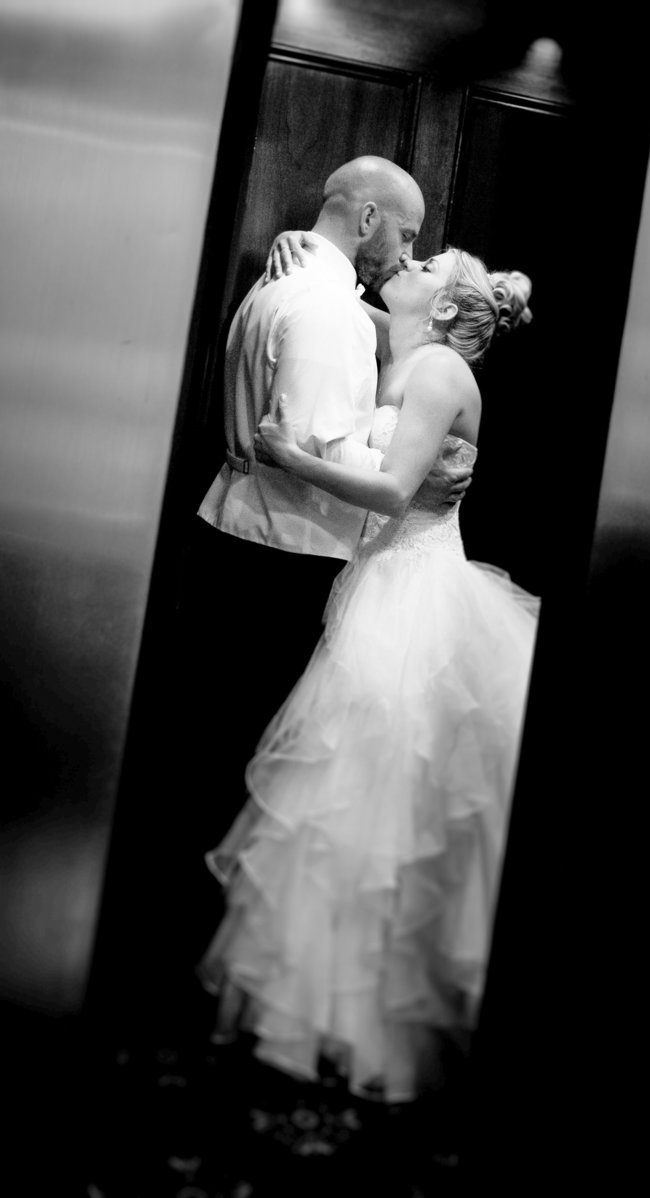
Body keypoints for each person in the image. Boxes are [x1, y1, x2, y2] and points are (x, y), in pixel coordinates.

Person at [198, 242, 539, 1113]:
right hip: (376, 584)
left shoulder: (434, 373)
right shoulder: (409, 343)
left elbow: (390, 491)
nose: (412, 261)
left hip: (415, 594)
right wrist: (304, 247)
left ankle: (369, 1022)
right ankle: (321, 1008)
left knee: (377, 806)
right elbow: (346, 292)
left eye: (429, 263)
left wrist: (284, 453)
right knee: (348, 805)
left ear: (450, 309)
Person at [178, 157, 473, 836]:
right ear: (368, 218)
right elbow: (320, 450)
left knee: (224, 735)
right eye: (407, 235)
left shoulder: (278, 284)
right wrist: (416, 470)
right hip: (286, 551)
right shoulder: (330, 311)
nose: (409, 254)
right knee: (252, 750)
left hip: (242, 532)